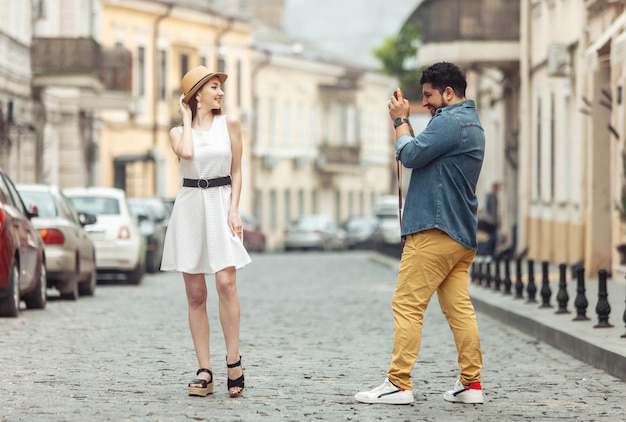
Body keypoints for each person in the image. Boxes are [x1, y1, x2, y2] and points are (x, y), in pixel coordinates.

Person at [355, 62, 486, 405]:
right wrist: (409, 125)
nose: (424, 102)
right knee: (459, 310)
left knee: (407, 305)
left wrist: (399, 121)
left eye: (428, 95)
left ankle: (399, 383)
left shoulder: (450, 121)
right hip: (460, 234)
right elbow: (424, 151)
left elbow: (410, 153)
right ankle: (471, 384)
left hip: (434, 231)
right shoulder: (470, 124)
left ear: (448, 93)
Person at [160, 65, 252, 398]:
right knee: (196, 294)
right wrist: (186, 118)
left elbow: (237, 171)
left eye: (220, 87)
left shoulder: (230, 124)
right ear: (197, 94)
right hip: (189, 207)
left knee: (226, 283)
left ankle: (233, 360)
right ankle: (204, 369)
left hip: (220, 203)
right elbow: (186, 153)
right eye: (214, 87)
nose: (221, 92)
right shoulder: (176, 133)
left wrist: (233, 209)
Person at [482, 182, 500, 257]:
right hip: (489, 221)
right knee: (492, 238)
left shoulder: (495, 197)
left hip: (494, 221)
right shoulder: (489, 196)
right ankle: (485, 252)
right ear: (493, 188)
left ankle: (492, 253)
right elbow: (485, 209)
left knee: (494, 238)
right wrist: (489, 218)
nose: (497, 190)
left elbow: (495, 211)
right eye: (496, 188)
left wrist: (498, 220)